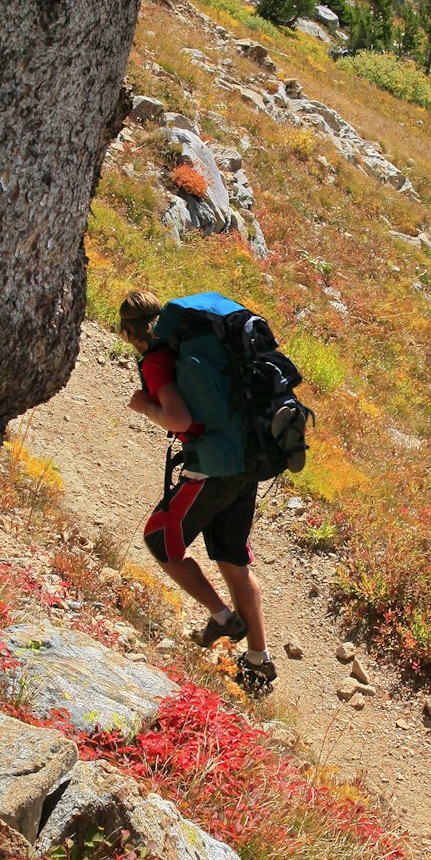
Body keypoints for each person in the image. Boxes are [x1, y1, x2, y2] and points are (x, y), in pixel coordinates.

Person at [118, 294, 272, 694]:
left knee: (159, 539)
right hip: (244, 460)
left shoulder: (155, 360)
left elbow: (178, 418)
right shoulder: (202, 345)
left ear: (129, 332)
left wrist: (144, 408)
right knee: (232, 560)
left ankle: (221, 617)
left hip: (210, 469)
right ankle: (259, 660)